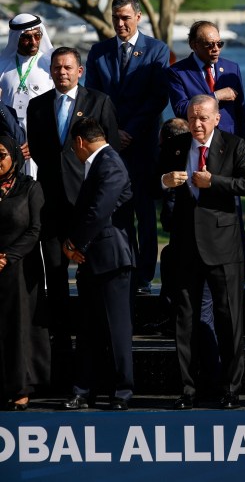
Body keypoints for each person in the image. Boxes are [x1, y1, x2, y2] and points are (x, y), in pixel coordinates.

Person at [160, 95, 245, 410]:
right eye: (192, 118)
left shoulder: (233, 145)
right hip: (185, 247)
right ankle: (189, 391)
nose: (197, 124)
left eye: (203, 118)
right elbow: (150, 185)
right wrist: (164, 181)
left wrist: (214, 181)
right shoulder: (176, 146)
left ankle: (231, 390)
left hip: (223, 247)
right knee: (185, 321)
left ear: (216, 118)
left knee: (229, 320)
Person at [26, 47, 119, 355]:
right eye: (56, 68)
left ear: (80, 71)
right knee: (55, 275)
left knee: (91, 277)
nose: (61, 72)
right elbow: (40, 151)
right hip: (51, 206)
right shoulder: (37, 106)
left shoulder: (99, 101)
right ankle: (61, 348)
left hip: (87, 205)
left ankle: (95, 347)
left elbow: (110, 151)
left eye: (67, 67)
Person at [84, 0, 171, 295]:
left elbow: (158, 97)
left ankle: (145, 275)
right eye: (116, 18)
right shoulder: (99, 52)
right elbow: (93, 97)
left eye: (125, 17)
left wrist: (130, 130)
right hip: (110, 145)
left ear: (138, 17)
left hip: (143, 143)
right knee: (118, 212)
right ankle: (125, 271)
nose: (120, 23)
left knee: (145, 214)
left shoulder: (157, 50)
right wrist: (113, 132)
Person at [59, 118, 135, 411]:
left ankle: (122, 392)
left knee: (117, 330)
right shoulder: (101, 162)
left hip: (112, 258)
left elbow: (99, 210)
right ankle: (84, 391)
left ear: (79, 142)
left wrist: (72, 243)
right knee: (88, 330)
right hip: (92, 258)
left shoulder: (110, 162)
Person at [0, 134, 45, 411]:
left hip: (19, 270)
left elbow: (36, 229)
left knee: (18, 328)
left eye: (1, 154)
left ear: (14, 156)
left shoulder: (29, 187)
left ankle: (21, 388)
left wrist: (7, 257)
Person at [167, 21, 245, 154]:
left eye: (219, 44)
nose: (216, 48)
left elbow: (241, 113)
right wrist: (216, 96)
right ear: (194, 45)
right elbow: (181, 109)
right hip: (197, 145)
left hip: (229, 143)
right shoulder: (177, 72)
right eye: (209, 44)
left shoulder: (232, 68)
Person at [0, 13, 55, 178]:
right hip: (10, 143)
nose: (33, 42)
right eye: (26, 38)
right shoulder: (2, 66)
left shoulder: (50, 65)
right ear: (16, 38)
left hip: (44, 139)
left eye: (37, 36)